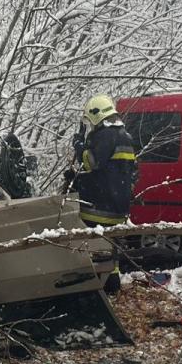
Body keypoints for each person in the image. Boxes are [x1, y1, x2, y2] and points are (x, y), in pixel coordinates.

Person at [69, 94, 137, 292]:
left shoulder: (106, 136)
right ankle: (112, 284)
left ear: (96, 116)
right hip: (118, 204)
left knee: (94, 248)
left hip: (99, 205)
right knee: (110, 247)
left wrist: (79, 145)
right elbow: (129, 171)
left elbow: (92, 162)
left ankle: (95, 287)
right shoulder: (125, 136)